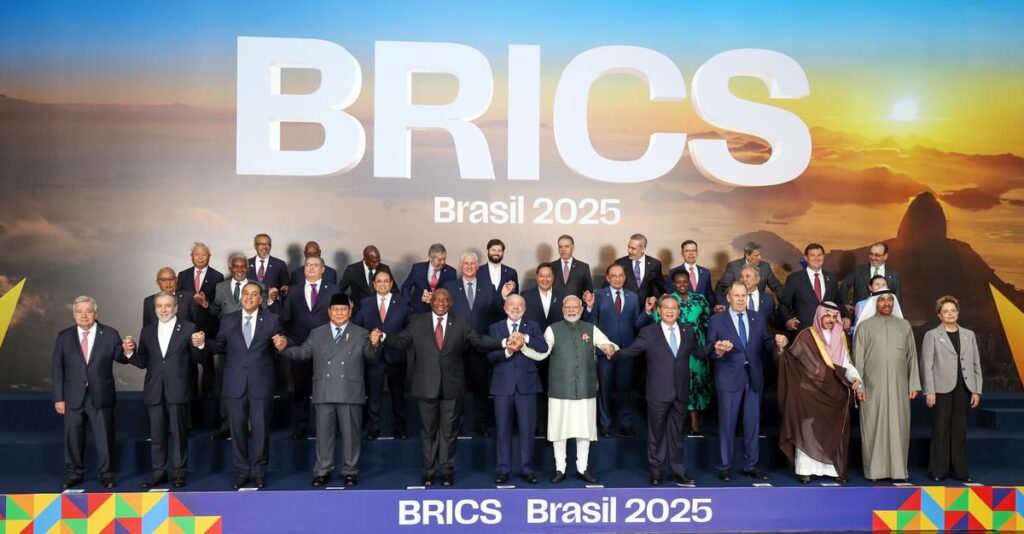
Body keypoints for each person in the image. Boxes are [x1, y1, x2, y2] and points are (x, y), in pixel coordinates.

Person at [378, 289, 504, 487]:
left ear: (450, 303)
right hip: (425, 385)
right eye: (437, 299)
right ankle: (428, 472)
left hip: (452, 386)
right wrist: (383, 336)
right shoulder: (417, 322)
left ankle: (446, 471)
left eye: (445, 300)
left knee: (449, 431)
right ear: (431, 302)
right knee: (428, 431)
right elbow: (401, 341)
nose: (441, 303)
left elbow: (479, 340)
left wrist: (503, 342)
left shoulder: (460, 322)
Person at [274, 294, 381, 487]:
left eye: (343, 310)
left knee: (351, 436)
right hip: (324, 389)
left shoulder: (361, 333)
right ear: (329, 312)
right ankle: (323, 471)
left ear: (350, 312)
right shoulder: (317, 333)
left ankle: (350, 471)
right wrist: (284, 348)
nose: (339, 313)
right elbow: (303, 353)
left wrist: (375, 343)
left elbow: (370, 355)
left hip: (350, 390)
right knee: (323, 435)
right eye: (336, 310)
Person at [122, 293, 209, 489]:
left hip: (178, 390)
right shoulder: (147, 331)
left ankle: (179, 474)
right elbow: (142, 361)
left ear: (175, 308)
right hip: (154, 391)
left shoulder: (189, 328)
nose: (163, 310)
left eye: (168, 306)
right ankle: (159, 473)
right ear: (155, 309)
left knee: (178, 435)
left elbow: (200, 359)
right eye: (159, 306)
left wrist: (200, 345)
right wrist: (129, 352)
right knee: (157, 436)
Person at [530, 295, 618, 484]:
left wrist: (609, 347)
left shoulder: (590, 328)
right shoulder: (552, 329)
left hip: (585, 388)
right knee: (559, 431)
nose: (571, 310)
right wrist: (523, 347)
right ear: (562, 310)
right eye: (567, 307)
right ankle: (560, 469)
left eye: (575, 307)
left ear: (581, 309)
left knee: (584, 430)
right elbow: (541, 353)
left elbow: (606, 343)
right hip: (560, 389)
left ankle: (582, 468)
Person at [204, 282, 282, 490]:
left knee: (261, 430)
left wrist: (283, 344)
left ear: (260, 299)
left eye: (254, 294)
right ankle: (241, 471)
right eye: (246, 293)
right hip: (234, 384)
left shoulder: (272, 320)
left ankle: (259, 472)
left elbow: (282, 345)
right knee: (237, 430)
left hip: (261, 383)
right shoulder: (228, 320)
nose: (249, 297)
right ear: (241, 297)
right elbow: (219, 345)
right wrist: (203, 343)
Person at [612, 295, 697, 485]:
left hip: (681, 391)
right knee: (656, 434)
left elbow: (698, 351)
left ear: (679, 311)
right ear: (659, 310)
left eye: (673, 308)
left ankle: (677, 470)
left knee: (677, 434)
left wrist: (717, 350)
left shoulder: (688, 330)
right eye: (666, 307)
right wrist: (612, 353)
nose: (669, 311)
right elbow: (632, 351)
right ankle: (656, 471)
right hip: (658, 392)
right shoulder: (649, 332)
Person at [776, 302, 864, 484]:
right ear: (819, 316)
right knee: (808, 427)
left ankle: (831, 470)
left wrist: (855, 377)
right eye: (827, 316)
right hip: (810, 392)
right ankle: (805, 470)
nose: (831, 320)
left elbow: (845, 364)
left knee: (834, 429)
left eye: (834, 317)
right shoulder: (806, 335)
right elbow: (791, 361)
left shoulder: (841, 336)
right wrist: (781, 348)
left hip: (835, 391)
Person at [699, 282, 778, 481]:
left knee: (752, 423)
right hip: (728, 377)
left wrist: (779, 343)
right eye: (737, 295)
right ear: (728, 298)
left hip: (754, 377)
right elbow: (709, 348)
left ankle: (751, 465)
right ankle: (725, 466)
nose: (741, 299)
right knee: (727, 423)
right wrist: (718, 351)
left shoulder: (758, 318)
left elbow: (767, 343)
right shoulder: (717, 320)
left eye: (744, 295)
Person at [51, 296, 131, 490]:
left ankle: (106, 475)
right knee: (73, 438)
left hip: (101, 395)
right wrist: (59, 398)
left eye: (88, 311)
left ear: (96, 313)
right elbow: (57, 369)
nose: (84, 315)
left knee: (104, 437)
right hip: (72, 396)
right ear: (74, 314)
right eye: (79, 312)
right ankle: (74, 474)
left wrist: (128, 350)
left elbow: (121, 358)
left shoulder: (110, 333)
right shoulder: (64, 336)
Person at [442, 252, 515, 436]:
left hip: (481, 347)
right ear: (461, 266)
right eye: (466, 263)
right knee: (456, 390)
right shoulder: (449, 287)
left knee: (481, 390)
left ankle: (481, 426)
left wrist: (503, 296)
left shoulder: (488, 287)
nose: (469, 266)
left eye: (472, 263)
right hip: (456, 347)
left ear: (477, 266)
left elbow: (496, 312)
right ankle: (456, 425)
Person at [853, 290, 919, 482]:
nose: (886, 303)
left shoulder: (904, 325)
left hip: (900, 387)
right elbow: (858, 360)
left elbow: (912, 357)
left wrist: (913, 384)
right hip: (872, 387)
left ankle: (899, 472)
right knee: (873, 427)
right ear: (875, 303)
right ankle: (874, 471)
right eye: (881, 300)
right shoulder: (865, 327)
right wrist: (859, 387)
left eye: (890, 300)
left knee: (899, 427)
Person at [582, 264, 654, 437]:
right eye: (613, 276)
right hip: (605, 351)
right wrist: (589, 307)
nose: (617, 279)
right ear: (607, 278)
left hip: (627, 351)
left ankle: (626, 423)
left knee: (625, 389)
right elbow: (590, 323)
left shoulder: (633, 296)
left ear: (624, 277)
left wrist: (647, 311)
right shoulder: (599, 295)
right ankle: (605, 425)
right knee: (605, 390)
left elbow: (637, 323)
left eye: (620, 275)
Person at [205, 254, 271, 440]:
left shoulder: (259, 286)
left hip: (253, 345)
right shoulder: (221, 287)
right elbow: (215, 312)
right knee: (228, 386)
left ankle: (251, 426)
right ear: (230, 268)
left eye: (243, 266)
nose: (240, 269)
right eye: (236, 266)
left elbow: (265, 312)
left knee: (254, 386)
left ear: (248, 269)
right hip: (229, 344)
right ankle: (227, 426)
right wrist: (205, 305)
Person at [275, 256, 341, 440]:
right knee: (300, 390)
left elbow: (340, 318)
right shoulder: (293, 291)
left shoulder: (334, 290)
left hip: (327, 349)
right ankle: (300, 426)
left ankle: (327, 428)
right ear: (304, 269)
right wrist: (284, 337)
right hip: (300, 347)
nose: (311, 268)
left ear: (323, 269)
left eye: (315, 265)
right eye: (308, 265)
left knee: (327, 391)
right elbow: (285, 318)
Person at [486, 295, 548, 484]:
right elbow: (490, 356)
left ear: (524, 308)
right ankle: (503, 469)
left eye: (519, 305)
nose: (515, 308)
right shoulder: (495, 328)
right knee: (502, 430)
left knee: (527, 430)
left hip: (527, 386)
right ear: (505, 308)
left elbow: (543, 347)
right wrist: (508, 351)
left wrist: (525, 338)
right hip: (502, 385)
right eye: (512, 305)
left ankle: (527, 469)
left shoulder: (533, 327)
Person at [921, 295, 983, 483]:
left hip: (964, 388)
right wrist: (929, 391)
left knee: (959, 430)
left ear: (958, 313)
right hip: (941, 389)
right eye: (945, 311)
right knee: (940, 429)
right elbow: (926, 366)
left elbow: (975, 363)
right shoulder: (932, 335)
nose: (950, 314)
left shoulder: (969, 335)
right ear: (939, 315)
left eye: (953, 310)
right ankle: (938, 470)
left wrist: (976, 390)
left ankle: (959, 470)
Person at [354, 269, 411, 440]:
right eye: (379, 281)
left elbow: (409, 327)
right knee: (373, 394)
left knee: (398, 395)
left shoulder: (403, 302)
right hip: (373, 356)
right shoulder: (365, 303)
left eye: (386, 281)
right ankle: (373, 427)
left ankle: (400, 427)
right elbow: (357, 326)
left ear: (391, 283)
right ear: (374, 284)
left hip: (396, 354)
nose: (383, 284)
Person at [653, 269, 711, 435]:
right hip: (676, 349)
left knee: (696, 384)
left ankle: (694, 422)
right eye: (678, 282)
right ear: (673, 283)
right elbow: (657, 321)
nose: (682, 284)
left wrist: (708, 346)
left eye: (685, 281)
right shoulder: (667, 300)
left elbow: (708, 322)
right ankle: (675, 420)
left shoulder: (700, 299)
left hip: (697, 349)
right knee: (676, 383)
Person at [521, 264, 566, 436]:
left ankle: (554, 427)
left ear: (553, 278)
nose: (545, 279)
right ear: (536, 276)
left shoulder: (563, 296)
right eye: (542, 275)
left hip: (558, 352)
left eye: (548, 276)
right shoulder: (526, 296)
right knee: (536, 391)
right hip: (534, 352)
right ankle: (538, 426)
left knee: (554, 391)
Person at [177, 242, 224, 399]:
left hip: (207, 325)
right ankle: (190, 396)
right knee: (189, 362)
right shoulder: (183, 275)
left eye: (204, 254)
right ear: (191, 257)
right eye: (197, 254)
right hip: (188, 325)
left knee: (208, 363)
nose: (200, 257)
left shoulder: (217, 276)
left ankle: (209, 397)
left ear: (209, 256)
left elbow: (218, 304)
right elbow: (179, 300)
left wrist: (205, 303)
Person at [780, 243, 849, 334]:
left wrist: (845, 317)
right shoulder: (794, 278)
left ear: (823, 257)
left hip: (829, 330)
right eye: (812, 255)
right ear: (806, 258)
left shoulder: (832, 278)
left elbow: (838, 302)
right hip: (804, 331)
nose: (816, 258)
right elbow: (784, 304)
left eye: (819, 255)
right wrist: (788, 320)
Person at [715, 241, 783, 310]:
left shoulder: (765, 267)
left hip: (758, 307)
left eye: (760, 255)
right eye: (756, 255)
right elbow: (721, 287)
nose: (760, 258)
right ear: (747, 255)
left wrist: (784, 304)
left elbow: (776, 287)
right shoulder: (734, 266)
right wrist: (722, 304)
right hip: (737, 307)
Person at [401, 243, 458, 314]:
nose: (443, 262)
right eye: (439, 260)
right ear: (431, 258)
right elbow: (405, 287)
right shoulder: (418, 269)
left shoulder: (451, 272)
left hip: (440, 313)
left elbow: (454, 294)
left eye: (444, 259)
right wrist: (408, 306)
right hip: (419, 313)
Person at [338, 245, 393, 315]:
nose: (377, 264)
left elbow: (394, 290)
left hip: (381, 312)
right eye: (373, 261)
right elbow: (339, 290)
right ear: (365, 259)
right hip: (358, 312)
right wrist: (346, 304)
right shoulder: (352, 270)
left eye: (378, 260)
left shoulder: (384, 269)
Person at [613, 233, 666, 302]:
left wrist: (656, 298)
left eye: (633, 248)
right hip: (625, 305)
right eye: (628, 247)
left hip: (646, 306)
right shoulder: (620, 263)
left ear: (643, 249)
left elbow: (661, 287)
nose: (629, 251)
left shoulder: (654, 264)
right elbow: (609, 286)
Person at [666, 239, 715, 307]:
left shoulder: (705, 272)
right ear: (682, 253)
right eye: (687, 251)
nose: (691, 253)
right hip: (683, 311)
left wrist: (714, 307)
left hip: (703, 310)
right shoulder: (673, 272)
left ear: (697, 252)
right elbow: (670, 295)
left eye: (693, 251)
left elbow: (709, 294)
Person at [549, 234, 594, 299]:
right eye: (560, 247)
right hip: (555, 304)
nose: (563, 249)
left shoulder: (583, 267)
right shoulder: (550, 267)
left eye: (566, 246)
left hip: (576, 305)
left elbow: (589, 292)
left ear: (573, 248)